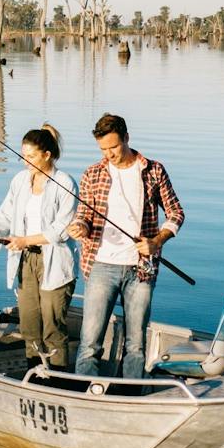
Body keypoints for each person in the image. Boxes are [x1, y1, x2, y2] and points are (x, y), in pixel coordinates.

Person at [66, 113, 185, 380]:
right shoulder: (92, 173)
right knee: (89, 342)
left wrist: (157, 241)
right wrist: (80, 227)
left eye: (114, 147)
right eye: (103, 149)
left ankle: (132, 393)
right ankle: (88, 395)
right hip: (101, 266)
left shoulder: (154, 170)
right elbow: (84, 216)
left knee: (136, 344)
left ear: (127, 138)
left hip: (141, 269)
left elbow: (176, 213)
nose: (109, 154)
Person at [0, 124, 78, 370]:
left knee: (53, 327)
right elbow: (3, 220)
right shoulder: (19, 181)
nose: (25, 161)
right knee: (29, 325)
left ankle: (58, 379)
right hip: (25, 263)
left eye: (31, 156)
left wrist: (25, 240)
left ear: (47, 155)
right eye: (23, 155)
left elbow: (62, 230)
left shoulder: (65, 183)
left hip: (55, 264)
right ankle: (36, 374)